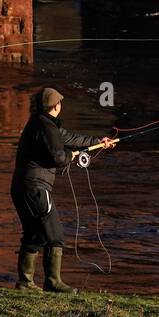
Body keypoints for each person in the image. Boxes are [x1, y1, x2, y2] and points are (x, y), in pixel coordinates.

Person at [11, 87, 117, 292]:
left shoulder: (39, 124)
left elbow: (68, 138)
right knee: (55, 234)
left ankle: (25, 283)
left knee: (34, 233)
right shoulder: (46, 127)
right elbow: (58, 158)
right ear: (56, 106)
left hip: (22, 187)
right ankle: (52, 282)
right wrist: (71, 156)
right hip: (36, 188)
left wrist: (98, 142)